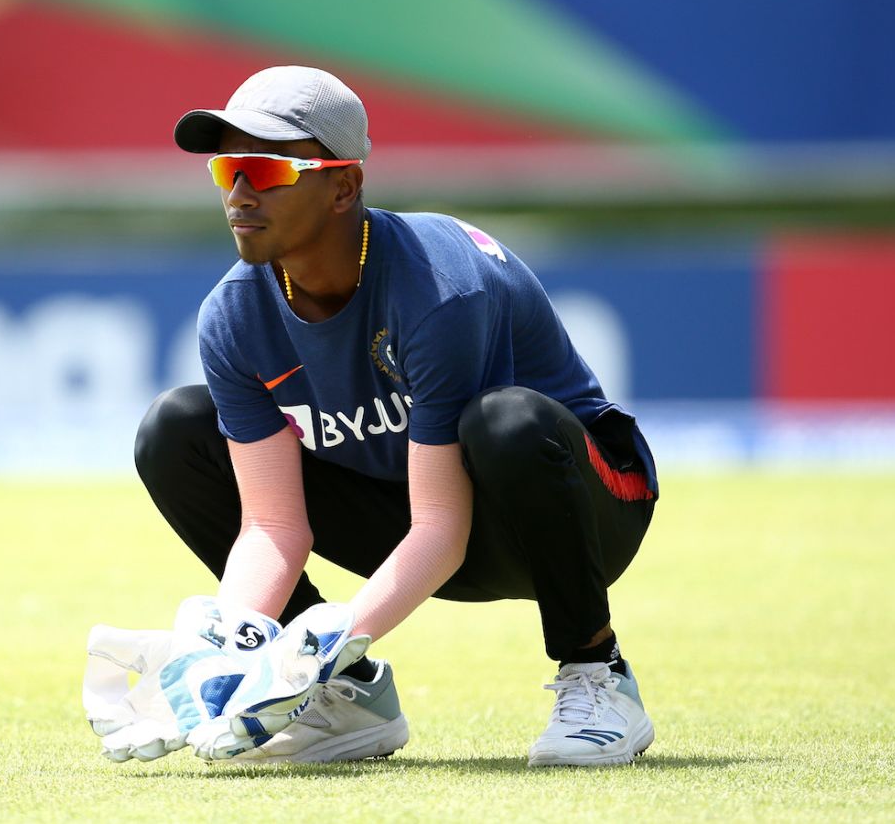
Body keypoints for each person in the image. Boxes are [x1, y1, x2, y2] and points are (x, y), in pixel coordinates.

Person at [134, 65, 659, 766]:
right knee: (174, 430)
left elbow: (440, 529)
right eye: (228, 167)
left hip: (580, 510)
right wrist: (239, 647)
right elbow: (272, 525)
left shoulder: (439, 290)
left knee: (505, 421)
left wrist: (328, 636)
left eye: (265, 169)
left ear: (344, 185)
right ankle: (341, 700)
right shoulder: (232, 315)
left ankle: (599, 672)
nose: (239, 193)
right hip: (423, 518)